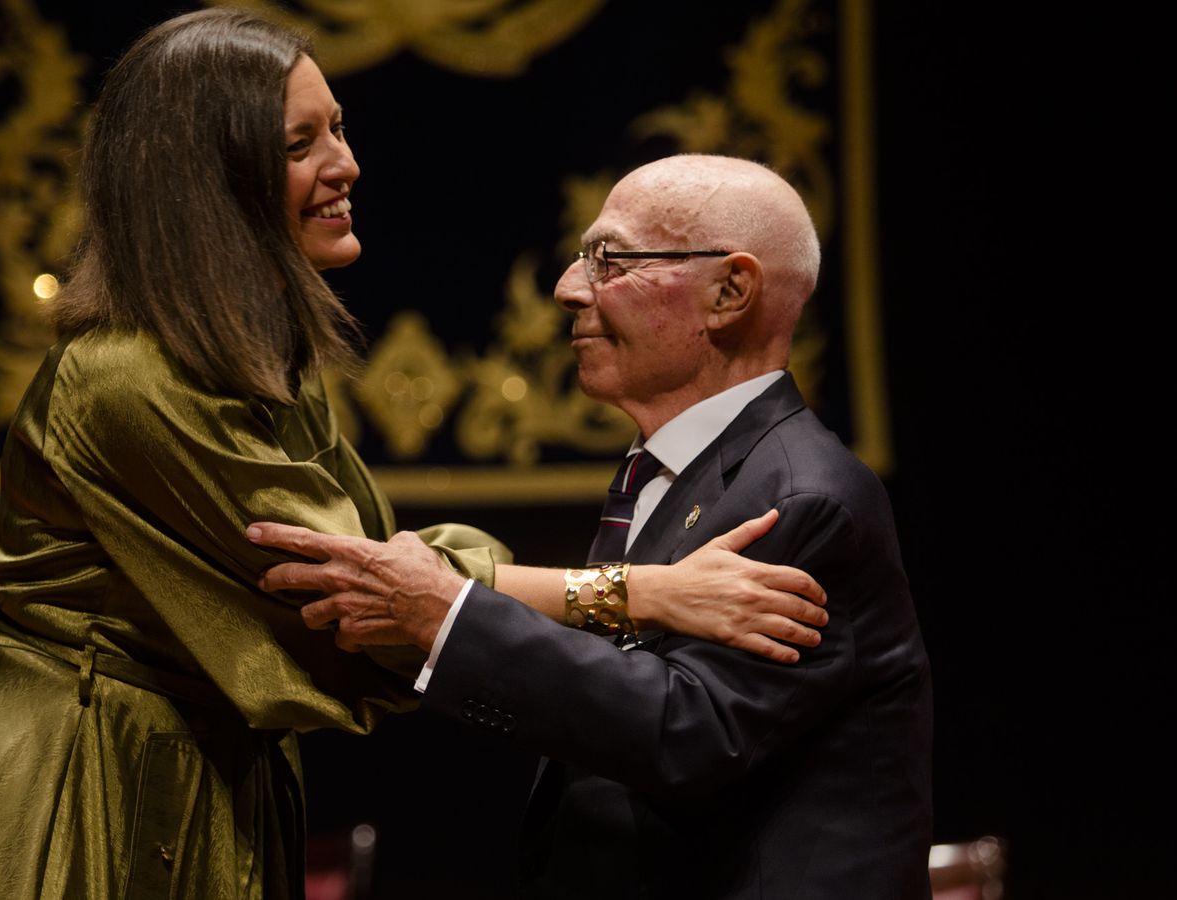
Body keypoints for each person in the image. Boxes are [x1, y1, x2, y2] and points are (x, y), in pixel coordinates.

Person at [0, 13, 830, 900]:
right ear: (211, 185)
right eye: (302, 145)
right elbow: (362, 593)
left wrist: (451, 586)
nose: (347, 164)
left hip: (195, 779)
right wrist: (633, 592)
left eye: (337, 128)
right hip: (73, 788)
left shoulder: (255, 367)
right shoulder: (126, 378)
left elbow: (394, 576)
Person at [251, 155, 934, 898]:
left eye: (609, 260)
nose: (568, 288)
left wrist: (447, 614)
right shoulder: (671, 472)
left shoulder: (802, 497)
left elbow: (686, 731)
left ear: (730, 292)